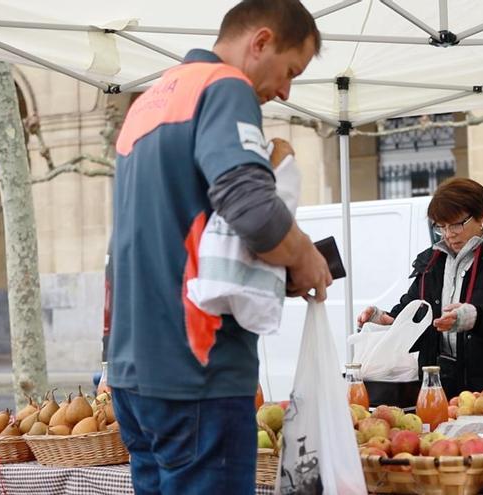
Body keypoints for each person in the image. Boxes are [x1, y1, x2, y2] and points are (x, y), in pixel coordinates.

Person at [107, 1, 331, 493]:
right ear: (260, 42)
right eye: (291, 70)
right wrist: (305, 256)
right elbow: (253, 210)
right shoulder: (225, 88)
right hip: (198, 370)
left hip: (132, 373)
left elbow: (177, 228)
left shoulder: (150, 101)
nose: (286, 90)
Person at [357, 178, 483, 402]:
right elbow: (415, 311)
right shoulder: (431, 262)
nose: (449, 234)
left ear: (481, 217)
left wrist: (476, 318)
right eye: (441, 226)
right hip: (441, 391)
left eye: (456, 224)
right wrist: (386, 319)